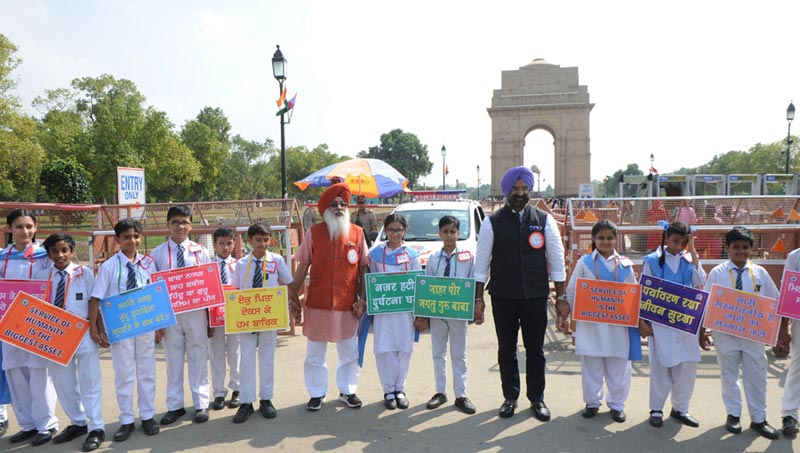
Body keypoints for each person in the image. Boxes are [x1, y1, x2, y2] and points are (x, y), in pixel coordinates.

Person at [474, 166, 568, 420]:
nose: (520, 193)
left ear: (530, 190)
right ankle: (510, 397)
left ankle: (537, 398)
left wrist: (561, 298)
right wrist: (478, 298)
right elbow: (481, 264)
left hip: (535, 296)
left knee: (535, 350)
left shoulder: (544, 220)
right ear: (507, 191)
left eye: (524, 188)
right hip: (503, 296)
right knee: (506, 350)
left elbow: (557, 260)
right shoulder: (491, 222)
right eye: (515, 189)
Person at [289, 183, 369, 411]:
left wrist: (363, 299)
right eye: (334, 204)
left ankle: (348, 391)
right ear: (325, 209)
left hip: (347, 304)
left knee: (349, 352)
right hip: (318, 303)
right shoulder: (314, 233)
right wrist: (293, 297)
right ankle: (317, 393)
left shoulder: (357, 233)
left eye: (343, 204)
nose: (339, 208)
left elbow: (363, 269)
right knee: (315, 353)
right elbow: (302, 267)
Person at [703, 226, 780, 439]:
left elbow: (775, 302)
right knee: (729, 375)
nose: (741, 251)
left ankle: (759, 419)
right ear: (728, 248)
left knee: (757, 376)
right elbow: (706, 302)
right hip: (724, 334)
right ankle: (733, 415)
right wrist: (702, 331)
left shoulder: (760, 273)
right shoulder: (717, 273)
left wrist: (778, 333)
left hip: (754, 335)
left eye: (745, 247)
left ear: (751, 249)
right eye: (736, 247)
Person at [89, 219, 161, 441]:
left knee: (147, 371)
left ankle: (147, 416)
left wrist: (159, 326)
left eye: (136, 236)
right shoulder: (109, 267)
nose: (132, 241)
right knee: (124, 374)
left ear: (141, 237)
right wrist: (96, 329)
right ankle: (127, 420)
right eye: (127, 237)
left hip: (146, 325)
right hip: (120, 327)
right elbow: (96, 299)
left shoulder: (148, 264)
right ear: (118, 239)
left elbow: (156, 293)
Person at [566, 220, 641, 423]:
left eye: (609, 238)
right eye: (601, 238)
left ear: (616, 239)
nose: (605, 242)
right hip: (591, 326)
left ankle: (617, 404)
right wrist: (570, 315)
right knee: (591, 366)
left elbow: (633, 295)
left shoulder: (625, 265)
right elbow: (572, 290)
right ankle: (592, 403)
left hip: (618, 326)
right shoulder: (584, 262)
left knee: (619, 367)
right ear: (593, 238)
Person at [37, 234, 104, 451]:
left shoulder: (84, 273)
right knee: (63, 383)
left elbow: (94, 302)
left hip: (82, 331)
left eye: (64, 250)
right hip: (54, 335)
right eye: (54, 251)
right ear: (48, 254)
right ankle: (78, 422)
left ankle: (96, 427)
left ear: (72, 251)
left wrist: (98, 330)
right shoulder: (42, 276)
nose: (60, 255)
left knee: (90, 380)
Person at [640, 222, 708, 428]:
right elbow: (643, 291)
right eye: (675, 241)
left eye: (683, 242)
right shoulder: (652, 260)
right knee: (660, 366)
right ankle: (656, 409)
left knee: (687, 366)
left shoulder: (689, 259)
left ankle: (681, 409)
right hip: (660, 322)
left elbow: (700, 280)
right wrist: (642, 321)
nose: (678, 246)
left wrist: (693, 250)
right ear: (667, 238)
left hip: (685, 321)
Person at [150, 205, 212, 425]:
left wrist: (210, 318)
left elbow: (209, 284)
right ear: (168, 225)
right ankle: (174, 405)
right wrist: (157, 322)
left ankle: (201, 403)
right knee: (173, 358)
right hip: (170, 313)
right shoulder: (157, 254)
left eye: (184, 222)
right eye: (175, 222)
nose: (180, 226)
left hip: (196, 311)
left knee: (198, 355)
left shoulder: (201, 251)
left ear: (191, 226)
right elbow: (152, 288)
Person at [0, 209, 57, 445]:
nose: (25, 231)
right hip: (8, 325)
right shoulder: (2, 257)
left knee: (39, 374)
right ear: (9, 229)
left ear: (35, 228)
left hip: (36, 324)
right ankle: (27, 425)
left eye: (29, 226)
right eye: (19, 227)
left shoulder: (46, 256)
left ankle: (46, 425)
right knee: (15, 374)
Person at [231, 223, 293, 423]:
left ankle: (266, 399)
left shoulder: (277, 260)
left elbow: (288, 282)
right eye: (258, 240)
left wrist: (294, 305)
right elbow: (234, 291)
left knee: (267, 358)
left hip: (269, 316)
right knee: (246, 359)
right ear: (249, 240)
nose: (262, 244)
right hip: (247, 318)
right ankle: (246, 402)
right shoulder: (241, 264)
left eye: (266, 240)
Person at [419, 215, 477, 414]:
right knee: (438, 352)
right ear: (440, 234)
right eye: (445, 232)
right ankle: (440, 392)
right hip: (437, 313)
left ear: (459, 233)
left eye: (453, 231)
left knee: (459, 354)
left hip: (458, 313)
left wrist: (474, 306)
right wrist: (424, 314)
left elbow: (473, 282)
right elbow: (427, 286)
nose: (449, 235)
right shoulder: (433, 258)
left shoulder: (468, 257)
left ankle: (461, 394)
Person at [368, 214, 421, 410]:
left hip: (405, 311)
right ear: (385, 230)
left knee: (404, 349)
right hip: (384, 310)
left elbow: (418, 283)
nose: (395, 233)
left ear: (404, 231)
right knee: (384, 349)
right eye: (391, 229)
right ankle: (388, 390)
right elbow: (370, 280)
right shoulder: (375, 254)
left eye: (399, 230)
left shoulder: (412, 255)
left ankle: (400, 389)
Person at [208, 228, 241, 411]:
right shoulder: (207, 267)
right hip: (214, 317)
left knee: (236, 352)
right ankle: (219, 393)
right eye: (221, 243)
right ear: (215, 245)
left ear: (234, 244)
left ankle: (237, 388)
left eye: (229, 243)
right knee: (216, 354)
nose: (225, 247)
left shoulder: (239, 265)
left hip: (234, 316)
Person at [779, 246, 800, 436]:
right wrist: (784, 328)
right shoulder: (795, 257)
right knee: (797, 365)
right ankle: (789, 414)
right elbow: (788, 291)